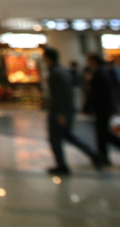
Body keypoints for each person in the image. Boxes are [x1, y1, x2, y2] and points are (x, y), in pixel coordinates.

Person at [44, 47, 101, 175]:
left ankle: (61, 165)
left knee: (55, 138)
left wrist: (61, 113)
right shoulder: (63, 71)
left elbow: (60, 94)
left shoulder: (56, 73)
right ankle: (93, 154)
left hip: (59, 111)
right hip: (66, 110)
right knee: (68, 136)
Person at [85, 53, 120, 166]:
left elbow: (95, 93)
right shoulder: (106, 72)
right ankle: (104, 157)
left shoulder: (99, 74)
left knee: (104, 133)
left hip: (102, 108)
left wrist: (87, 107)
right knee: (102, 133)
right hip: (107, 107)